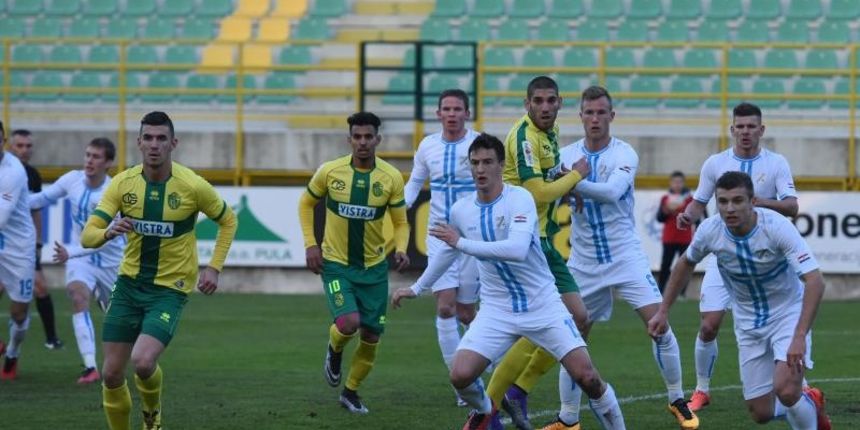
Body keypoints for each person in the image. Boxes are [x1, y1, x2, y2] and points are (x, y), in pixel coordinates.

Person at [392, 133, 626, 430]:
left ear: (501, 165)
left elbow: (516, 250)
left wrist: (461, 242)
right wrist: (416, 288)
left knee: (588, 378)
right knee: (460, 375)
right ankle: (485, 409)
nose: (480, 169)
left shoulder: (520, 199)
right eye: (475, 163)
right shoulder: (461, 209)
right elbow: (447, 252)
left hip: (542, 306)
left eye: (487, 162)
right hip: (496, 310)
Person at [543, 86, 697, 430]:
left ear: (611, 116)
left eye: (601, 112)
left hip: (625, 257)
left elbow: (612, 192)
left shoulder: (624, 153)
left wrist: (572, 182)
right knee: (572, 339)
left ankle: (676, 398)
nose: (595, 118)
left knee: (659, 325)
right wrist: (564, 183)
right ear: (580, 116)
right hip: (583, 262)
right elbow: (545, 190)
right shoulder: (565, 155)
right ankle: (568, 417)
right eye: (589, 112)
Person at [81, 111, 238, 430]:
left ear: (173, 143)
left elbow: (228, 220)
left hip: (169, 289)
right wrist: (108, 232)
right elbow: (88, 236)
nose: (154, 145)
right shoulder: (123, 184)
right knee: (111, 373)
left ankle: (152, 418)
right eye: (148, 138)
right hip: (128, 286)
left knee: (142, 361)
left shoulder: (192, 185)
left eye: (161, 138)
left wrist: (214, 267)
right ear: (139, 142)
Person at [649, 171, 831, 430]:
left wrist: (800, 336)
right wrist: (663, 311)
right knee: (761, 413)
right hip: (748, 323)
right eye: (723, 201)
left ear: (752, 201)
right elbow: (685, 263)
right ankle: (811, 402)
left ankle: (806, 408)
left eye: (737, 200)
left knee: (786, 389)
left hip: (787, 315)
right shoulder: (710, 230)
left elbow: (815, 281)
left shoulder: (776, 227)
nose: (730, 208)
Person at [485, 75, 592, 429]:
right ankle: (488, 409)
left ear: (560, 103)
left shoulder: (551, 131)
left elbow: (548, 178)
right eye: (538, 101)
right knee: (542, 326)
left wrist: (564, 181)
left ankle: (515, 393)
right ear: (527, 104)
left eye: (551, 101)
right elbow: (536, 193)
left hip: (543, 238)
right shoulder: (524, 137)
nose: (545, 107)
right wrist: (575, 177)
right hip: (525, 240)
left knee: (578, 318)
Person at [677, 102, 798, 412]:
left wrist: (758, 203)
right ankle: (702, 389)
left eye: (751, 126)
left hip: (764, 263)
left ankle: (796, 388)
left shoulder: (776, 163)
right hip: (726, 258)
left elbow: (792, 206)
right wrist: (688, 215)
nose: (745, 132)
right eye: (740, 126)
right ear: (732, 129)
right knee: (709, 325)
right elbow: (699, 201)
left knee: (772, 325)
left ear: (761, 130)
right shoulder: (715, 163)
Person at [298, 111, 410, 415]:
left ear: (378, 139)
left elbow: (401, 222)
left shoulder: (390, 177)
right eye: (357, 137)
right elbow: (306, 203)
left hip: (374, 270)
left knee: (371, 336)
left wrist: (401, 248)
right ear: (349, 139)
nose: (362, 142)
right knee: (349, 323)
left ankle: (350, 392)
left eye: (368, 136)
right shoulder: (330, 171)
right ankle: (334, 349)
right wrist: (310, 244)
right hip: (336, 264)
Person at [404, 89, 481, 406]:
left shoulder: (478, 144)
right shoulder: (427, 145)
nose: (451, 114)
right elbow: (414, 182)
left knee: (467, 313)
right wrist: (398, 209)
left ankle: (484, 368)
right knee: (446, 307)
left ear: (467, 113)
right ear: (438, 114)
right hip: (438, 236)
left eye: (457, 109)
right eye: (446, 109)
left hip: (471, 238)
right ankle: (463, 387)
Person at [29, 137, 125, 384]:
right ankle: (90, 367)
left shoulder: (113, 193)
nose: (89, 161)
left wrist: (70, 252)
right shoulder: (72, 180)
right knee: (78, 295)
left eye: (96, 157)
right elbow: (41, 199)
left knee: (121, 324)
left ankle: (119, 363)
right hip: (81, 260)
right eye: (87, 155)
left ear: (108, 163)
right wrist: (11, 200)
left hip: (112, 263)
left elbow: (106, 239)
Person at [7, 129, 63, 350]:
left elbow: (36, 211)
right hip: (4, 242)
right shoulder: (7, 172)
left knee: (40, 287)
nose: (24, 150)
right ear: (10, 146)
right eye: (20, 145)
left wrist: (38, 243)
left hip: (22, 244)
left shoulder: (32, 175)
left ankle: (51, 338)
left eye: (28, 146)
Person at [0, 121, 37, 380]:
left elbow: (1, 218)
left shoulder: (13, 171)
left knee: (19, 313)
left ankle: (12, 351)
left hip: (18, 247)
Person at [656, 171, 694, 296]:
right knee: (665, 265)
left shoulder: (690, 199)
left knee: (684, 267)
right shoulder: (665, 198)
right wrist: (666, 210)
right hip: (669, 238)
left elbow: (697, 218)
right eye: (675, 182)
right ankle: (661, 291)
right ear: (670, 183)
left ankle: (682, 293)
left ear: (683, 183)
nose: (677, 184)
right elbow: (659, 218)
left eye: (680, 182)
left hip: (685, 238)